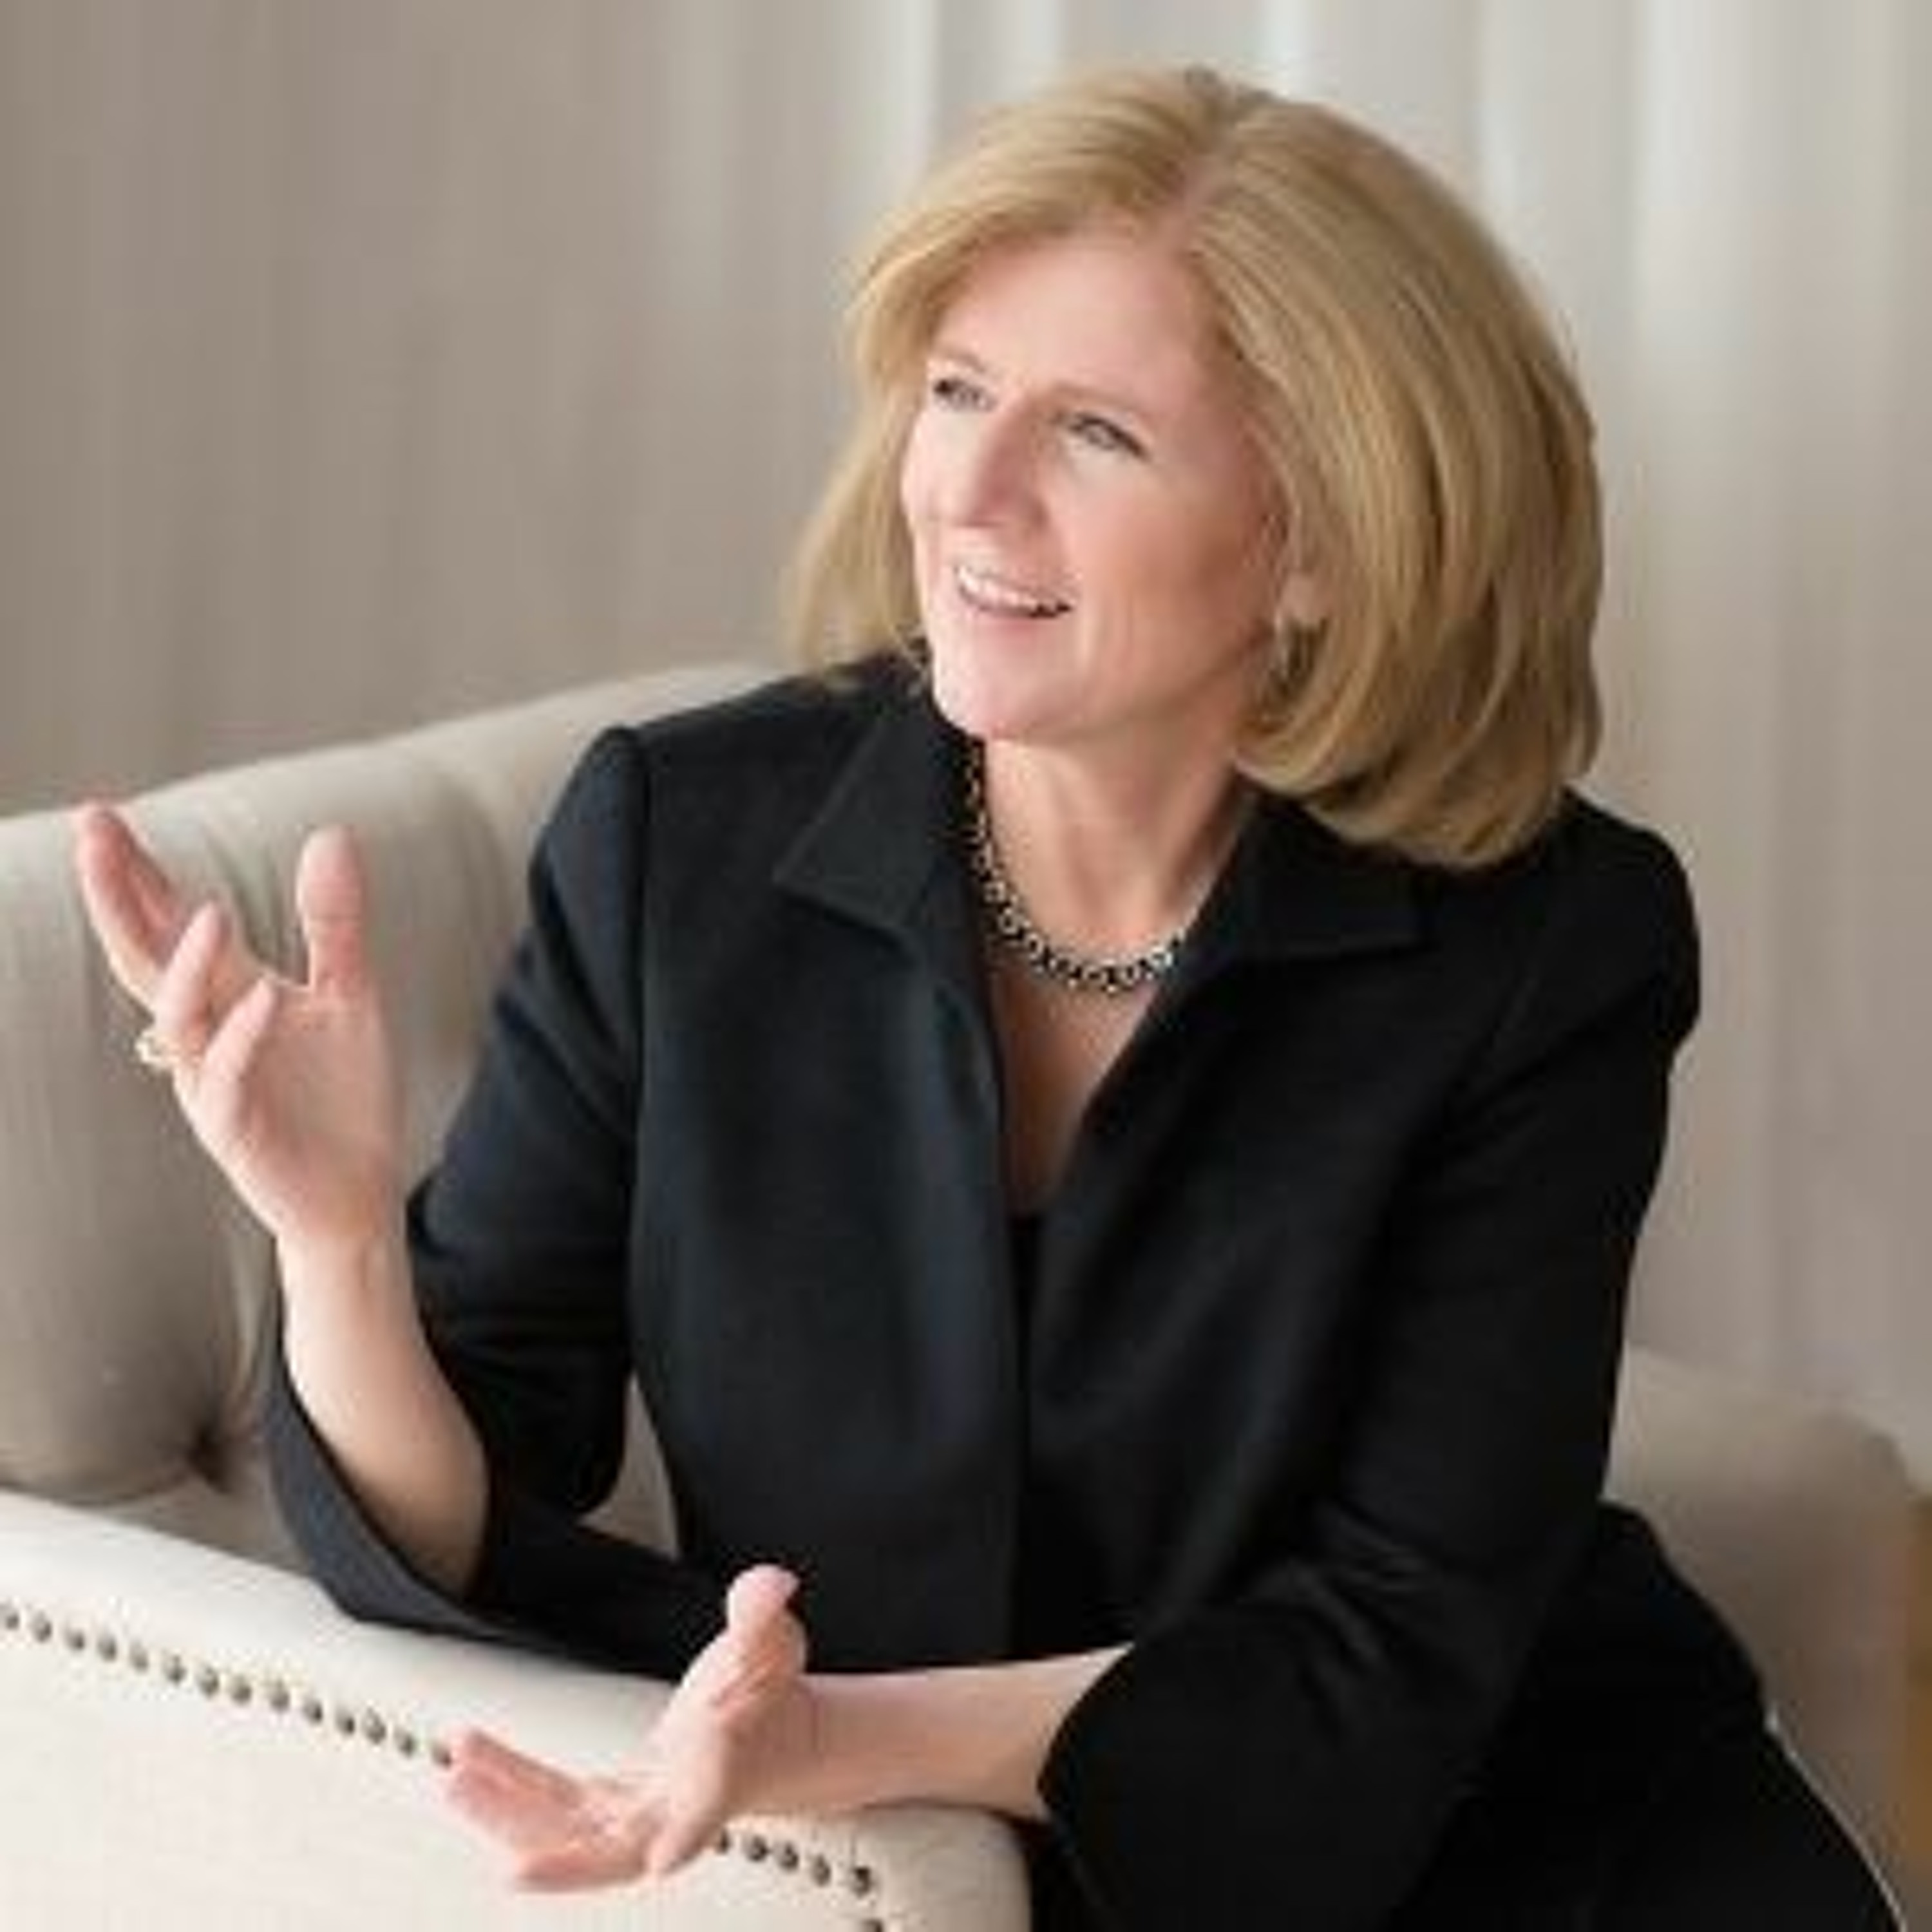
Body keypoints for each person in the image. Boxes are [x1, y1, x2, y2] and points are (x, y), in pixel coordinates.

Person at [72, 63, 1897, 1931]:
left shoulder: (1553, 946)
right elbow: (469, 1511)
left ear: (1321, 548)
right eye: (957, 391)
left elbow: (1400, 1647)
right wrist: (336, 1245)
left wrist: (838, 1740)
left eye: (1096, 432)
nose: (968, 487)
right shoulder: (675, 846)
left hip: (1490, 1838)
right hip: (913, 1863)